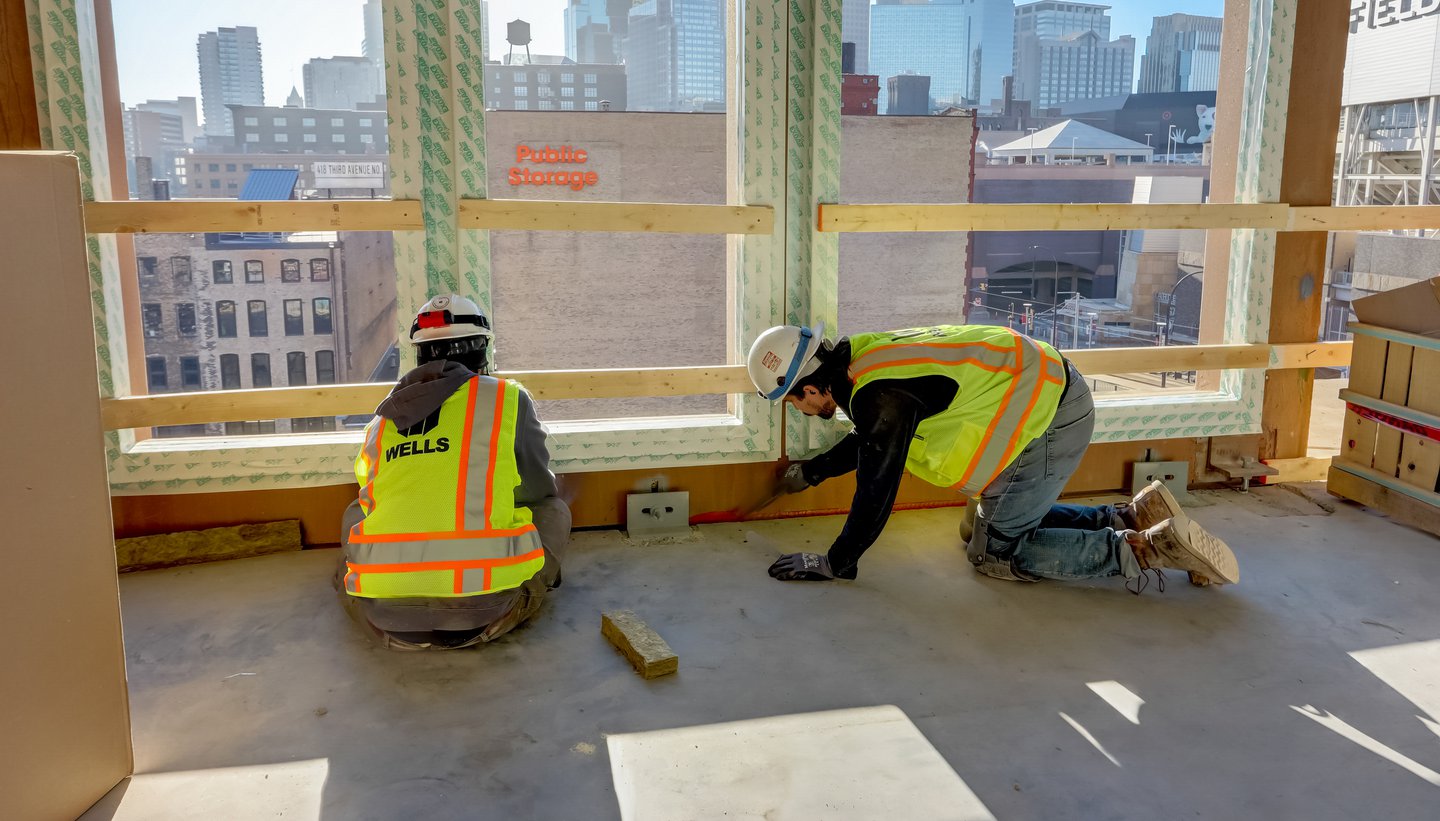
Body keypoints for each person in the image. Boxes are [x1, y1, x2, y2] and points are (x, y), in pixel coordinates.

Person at [745, 322, 1239, 592]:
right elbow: (875, 439)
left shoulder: (878, 399)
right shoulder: (864, 362)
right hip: (1049, 393)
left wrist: (836, 562)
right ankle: (1132, 514)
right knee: (975, 529)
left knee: (993, 554)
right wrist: (813, 472)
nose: (801, 410)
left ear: (810, 387)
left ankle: (1141, 550)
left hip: (1049, 419)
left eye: (793, 401)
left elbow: (877, 484)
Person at [336, 294, 571, 649]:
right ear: (482, 351)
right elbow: (537, 490)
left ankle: (371, 590)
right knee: (553, 508)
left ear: (418, 355)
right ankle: (521, 591)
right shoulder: (505, 398)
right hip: (486, 613)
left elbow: (371, 500)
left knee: (356, 511)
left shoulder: (381, 421)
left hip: (385, 620)